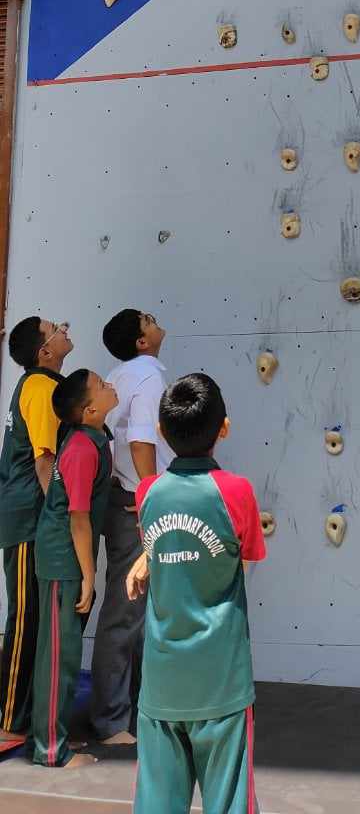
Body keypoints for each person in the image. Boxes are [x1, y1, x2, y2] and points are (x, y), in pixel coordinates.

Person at [126, 372, 266, 814]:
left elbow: (157, 543)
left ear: (163, 433)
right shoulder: (236, 492)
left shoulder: (148, 493)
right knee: (229, 800)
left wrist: (150, 558)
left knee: (157, 801)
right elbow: (244, 561)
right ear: (223, 428)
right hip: (220, 677)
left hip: (163, 680)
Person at [89, 308, 171, 746]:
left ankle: (128, 711)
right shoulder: (149, 376)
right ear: (142, 341)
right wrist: (150, 497)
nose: (156, 323)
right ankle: (112, 721)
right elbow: (141, 440)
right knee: (128, 611)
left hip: (117, 498)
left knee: (131, 612)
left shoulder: (118, 374)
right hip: (135, 503)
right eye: (148, 320)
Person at [30, 368, 117, 768]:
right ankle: (50, 749)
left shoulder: (94, 437)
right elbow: (78, 517)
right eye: (101, 385)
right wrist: (86, 575)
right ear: (88, 409)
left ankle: (57, 734)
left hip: (71, 556)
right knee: (58, 656)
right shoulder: (82, 447)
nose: (109, 385)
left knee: (66, 651)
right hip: (63, 558)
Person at [0, 317, 73, 745]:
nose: (65, 329)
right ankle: (10, 720)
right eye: (56, 328)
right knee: (25, 618)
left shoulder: (35, 384)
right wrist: (59, 516)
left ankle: (18, 714)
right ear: (44, 352)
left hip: (23, 514)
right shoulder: (43, 389)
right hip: (29, 517)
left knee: (28, 616)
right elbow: (46, 462)